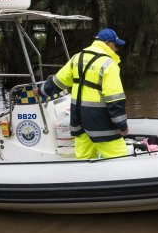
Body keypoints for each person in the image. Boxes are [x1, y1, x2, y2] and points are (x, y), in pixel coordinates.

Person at [37, 28, 129, 159]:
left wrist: (41, 91)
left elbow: (58, 81)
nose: (116, 49)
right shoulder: (109, 64)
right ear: (108, 43)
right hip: (100, 121)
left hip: (78, 118)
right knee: (119, 157)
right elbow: (115, 99)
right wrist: (122, 125)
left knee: (84, 158)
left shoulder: (77, 58)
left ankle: (84, 178)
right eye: (115, 45)